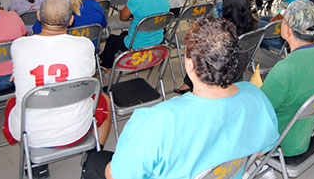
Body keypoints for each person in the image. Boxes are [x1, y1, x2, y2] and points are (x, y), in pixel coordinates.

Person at [103, 17, 279, 179]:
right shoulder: (255, 95)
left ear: (190, 64)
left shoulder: (156, 122)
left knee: (97, 161)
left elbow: (116, 175)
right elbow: (264, 149)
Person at [3, 0, 111, 178]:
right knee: (105, 101)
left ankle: (37, 164)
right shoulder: (85, 45)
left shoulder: (19, 46)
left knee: (10, 104)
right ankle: (93, 154)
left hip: (32, 135)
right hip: (79, 128)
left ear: (38, 16)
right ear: (70, 20)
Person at [261, 0, 314, 157]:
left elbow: (260, 112)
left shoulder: (284, 70)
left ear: (288, 30)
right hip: (304, 134)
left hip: (281, 142)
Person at [175, 0, 256, 94]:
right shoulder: (253, 23)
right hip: (240, 66)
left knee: (202, 51)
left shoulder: (224, 28)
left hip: (222, 69)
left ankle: (187, 84)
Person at [99, 0, 170, 69]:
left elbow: (122, 17)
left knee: (112, 39)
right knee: (123, 34)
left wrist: (133, 16)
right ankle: (103, 58)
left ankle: (105, 65)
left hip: (136, 44)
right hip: (157, 41)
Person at [33, 0, 107, 49]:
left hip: (61, 52)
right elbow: (102, 26)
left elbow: (37, 34)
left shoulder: (55, 9)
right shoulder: (95, 6)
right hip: (89, 51)